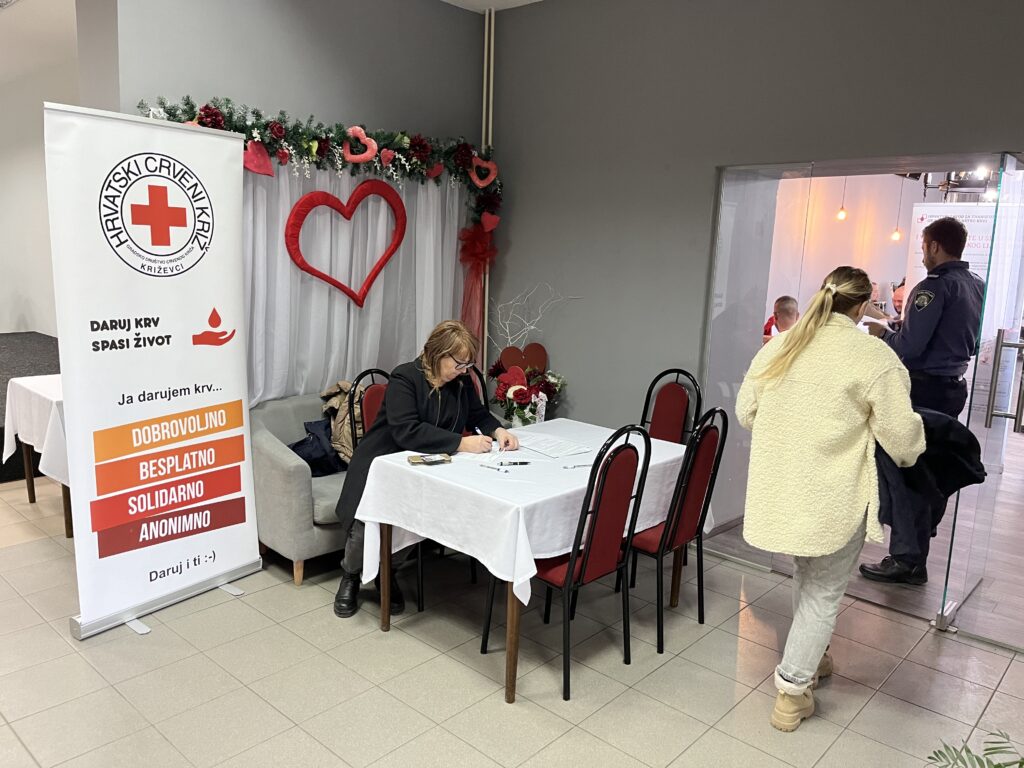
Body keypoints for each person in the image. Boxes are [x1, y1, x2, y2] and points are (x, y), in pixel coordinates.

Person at [737, 267, 925, 732]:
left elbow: (746, 411)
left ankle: (814, 655)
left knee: (807, 574)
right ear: (861, 307)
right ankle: (791, 691)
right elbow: (903, 440)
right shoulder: (873, 357)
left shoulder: (783, 344)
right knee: (823, 590)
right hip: (834, 496)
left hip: (784, 488)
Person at [333, 320, 519, 618]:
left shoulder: (461, 382)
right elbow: (406, 430)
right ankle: (351, 576)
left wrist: (498, 431)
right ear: (437, 354)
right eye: (459, 363)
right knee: (365, 527)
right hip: (383, 462)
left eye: (468, 364)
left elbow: (478, 414)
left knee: (416, 521)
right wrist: (460, 443)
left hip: (429, 466)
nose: (464, 370)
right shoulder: (405, 377)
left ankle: (387, 573)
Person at [862, 216, 984, 584]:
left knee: (907, 470)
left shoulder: (933, 287)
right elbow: (968, 341)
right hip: (952, 387)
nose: (923, 255)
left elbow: (910, 349)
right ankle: (917, 546)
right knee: (930, 468)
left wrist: (881, 336)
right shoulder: (975, 285)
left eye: (923, 247)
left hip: (922, 389)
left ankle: (907, 558)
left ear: (934, 246)